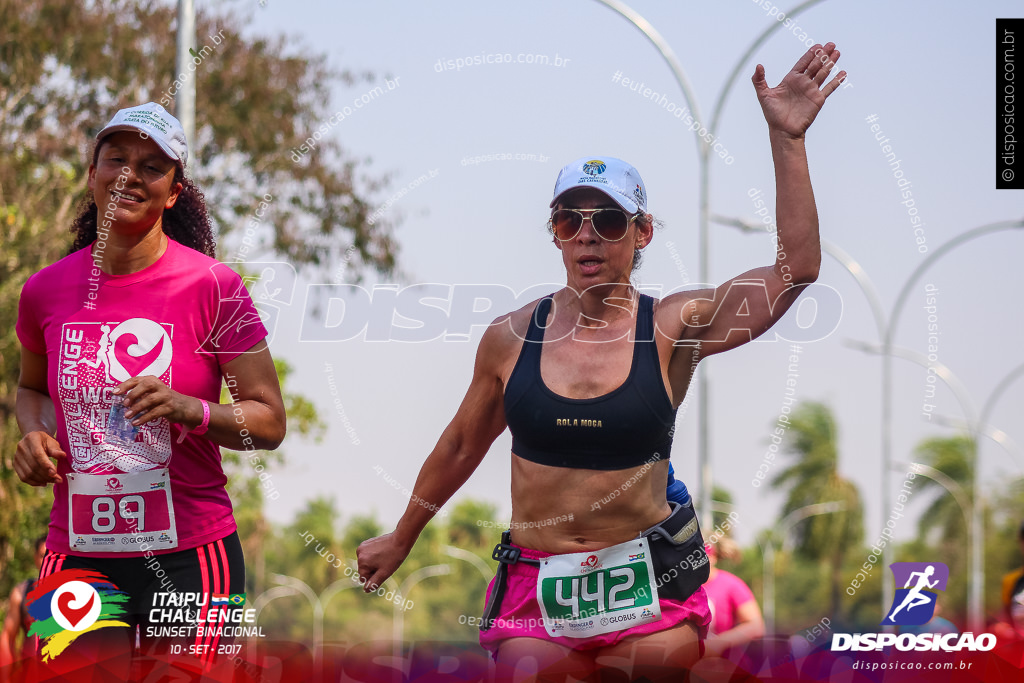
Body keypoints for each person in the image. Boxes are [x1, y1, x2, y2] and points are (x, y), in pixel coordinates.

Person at [357, 43, 845, 680]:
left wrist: (787, 140)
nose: (589, 233)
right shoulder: (510, 338)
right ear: (555, 231)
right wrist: (403, 536)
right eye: (572, 219)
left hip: (648, 584)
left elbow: (794, 272)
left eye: (609, 220)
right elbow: (459, 446)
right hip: (539, 585)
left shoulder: (674, 326)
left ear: (641, 234)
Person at [13, 102, 286, 675]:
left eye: (152, 166)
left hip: (192, 553)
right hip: (77, 553)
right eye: (116, 158)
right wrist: (34, 435)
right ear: (92, 175)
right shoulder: (44, 291)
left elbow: (268, 421)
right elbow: (31, 389)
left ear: (174, 193)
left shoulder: (215, 287)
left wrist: (191, 409)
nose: (130, 175)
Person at [703, 539, 765, 657]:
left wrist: (718, 644)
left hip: (726, 667)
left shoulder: (731, 584)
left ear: (714, 557)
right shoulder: (680, 587)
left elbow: (757, 626)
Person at [0, 537, 46, 681]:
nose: (46, 561)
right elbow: (7, 638)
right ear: (35, 558)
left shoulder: (74, 594)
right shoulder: (22, 593)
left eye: (50, 556)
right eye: (42, 556)